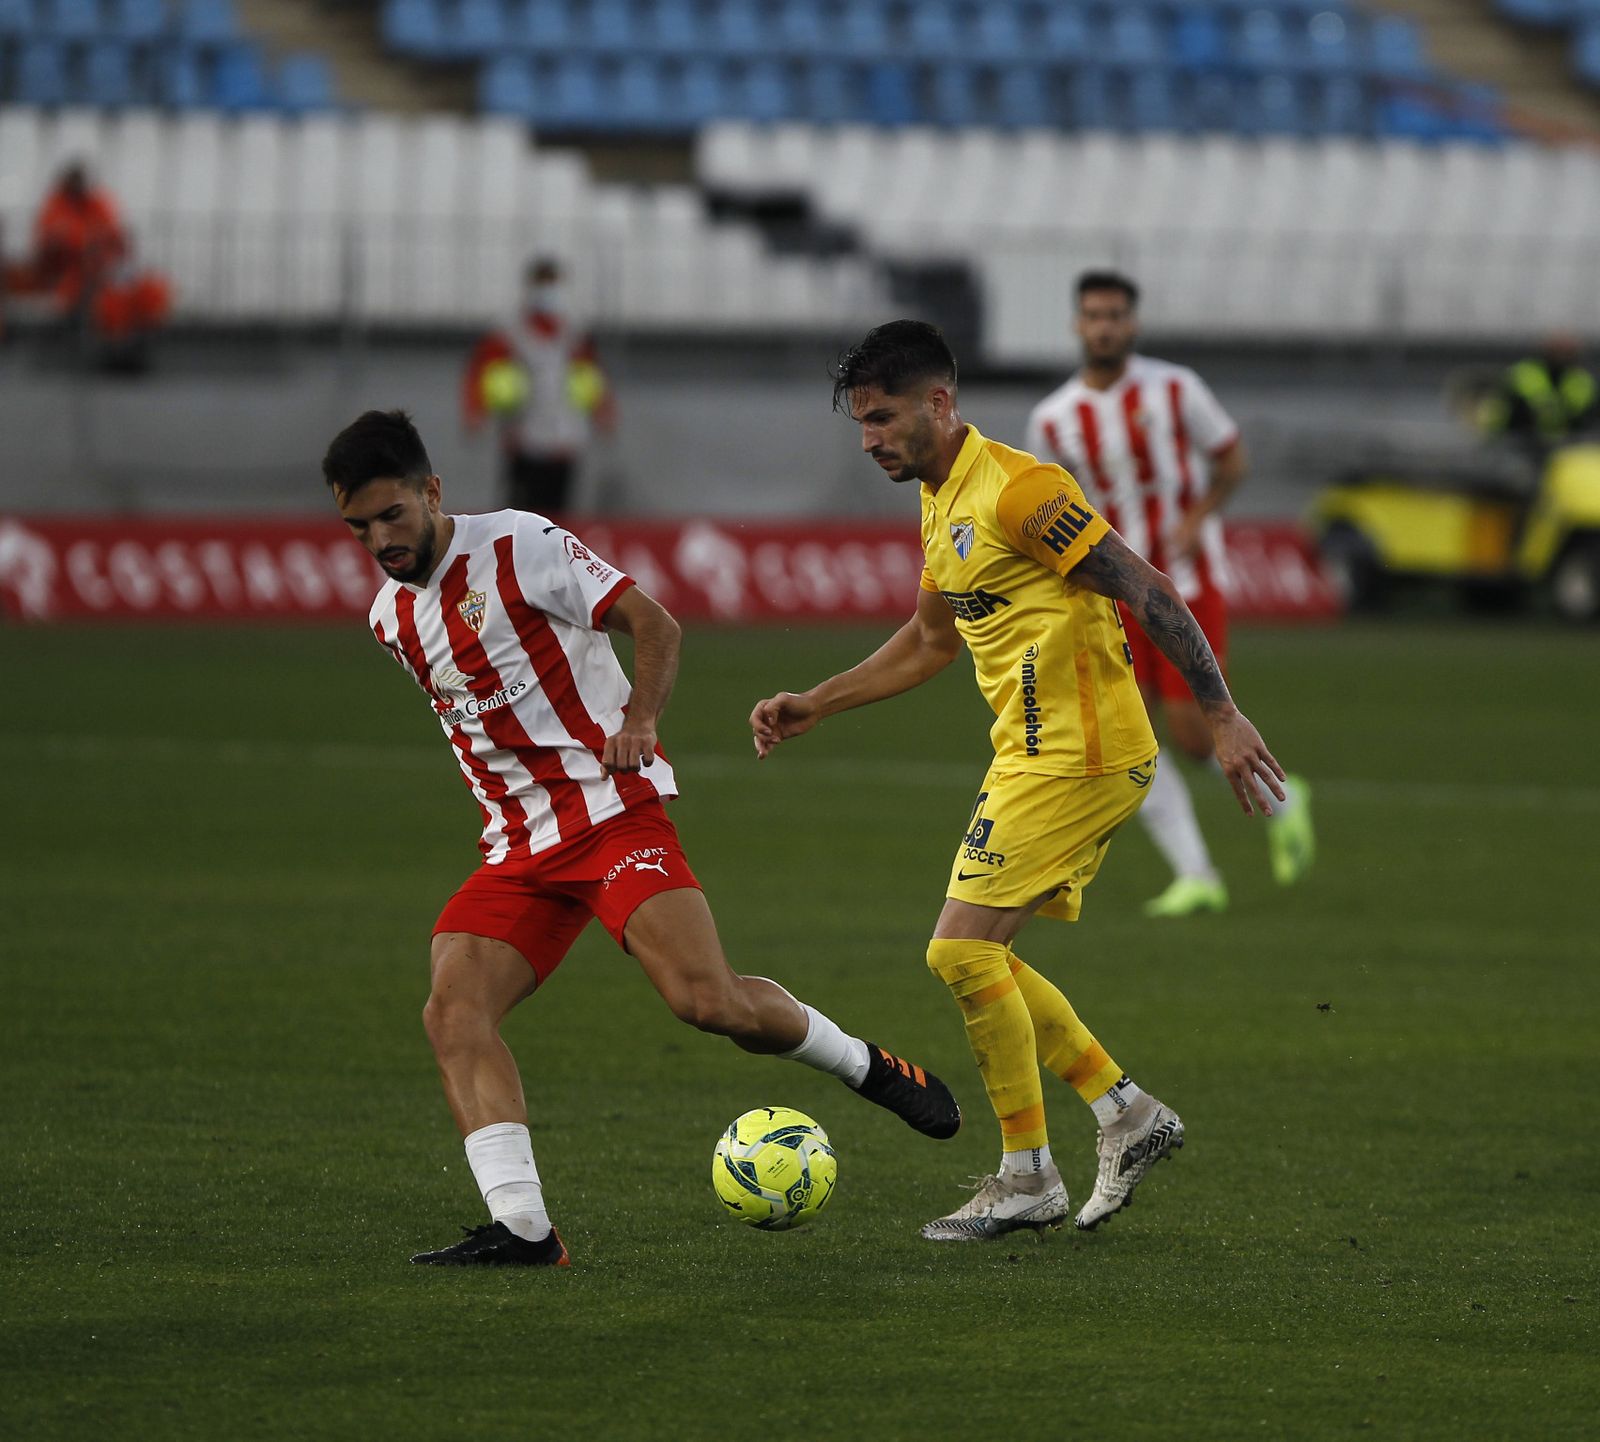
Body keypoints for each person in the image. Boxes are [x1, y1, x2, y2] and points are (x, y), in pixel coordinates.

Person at [322, 409, 959, 1267]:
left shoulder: (520, 543)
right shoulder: (390, 619)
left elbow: (657, 624)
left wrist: (641, 719)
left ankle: (869, 1068)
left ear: (433, 491)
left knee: (709, 1003)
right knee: (453, 1012)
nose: (380, 540)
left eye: (392, 515)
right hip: (518, 851)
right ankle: (523, 1229)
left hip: (612, 814)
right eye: (359, 527)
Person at [751, 321, 1287, 1241]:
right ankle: (1123, 1112)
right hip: (1034, 751)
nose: (869, 438)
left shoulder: (1021, 492)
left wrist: (1223, 713)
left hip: (1082, 750)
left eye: (882, 418)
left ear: (940, 403)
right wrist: (821, 702)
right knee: (979, 955)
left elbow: (1148, 586)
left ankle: (1027, 1175)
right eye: (860, 423)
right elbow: (928, 640)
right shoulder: (939, 497)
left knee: (960, 954)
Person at [1025, 270, 1313, 919]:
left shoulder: (1177, 388)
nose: (1105, 326)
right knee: (1133, 738)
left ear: (1133, 323)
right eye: (1094, 315)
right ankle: (1197, 874)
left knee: (1190, 732)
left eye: (1116, 315)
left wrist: (1199, 514)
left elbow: (1233, 460)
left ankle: (1288, 801)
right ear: (1077, 324)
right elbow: (1049, 504)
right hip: (1113, 595)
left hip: (1187, 581)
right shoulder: (1052, 419)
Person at [463, 256, 615, 517]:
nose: (548, 292)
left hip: (565, 439)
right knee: (521, 514)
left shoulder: (574, 330)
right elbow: (481, 369)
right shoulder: (509, 331)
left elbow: (591, 373)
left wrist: (603, 411)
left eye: (552, 283)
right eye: (543, 283)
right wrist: (476, 410)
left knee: (559, 515)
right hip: (524, 438)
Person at [1475, 333, 1597, 457]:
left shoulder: (1582, 381)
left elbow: (1586, 419)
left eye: (1568, 352)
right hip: (1517, 444)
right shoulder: (1524, 374)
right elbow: (1504, 412)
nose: (1563, 357)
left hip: (1564, 448)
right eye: (1559, 351)